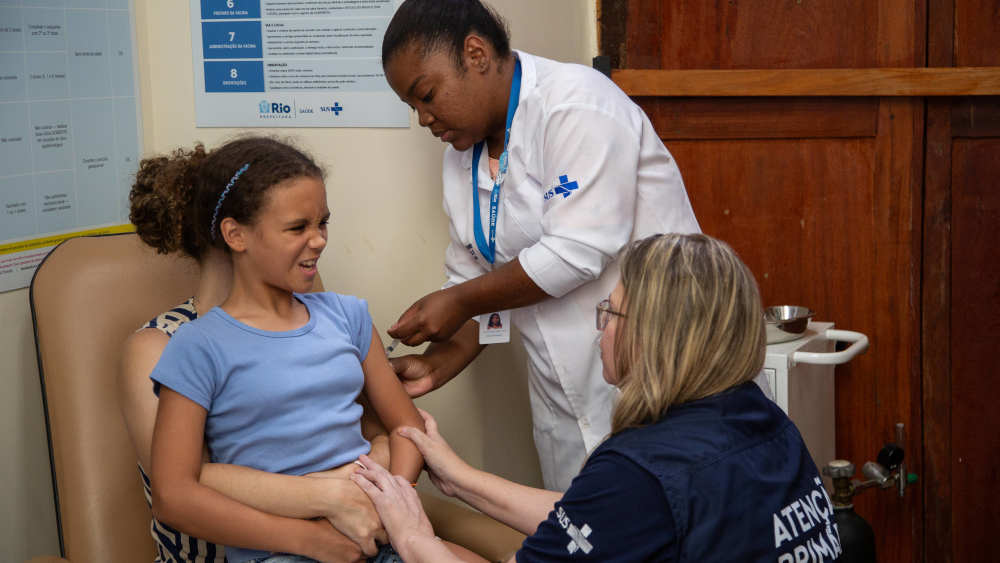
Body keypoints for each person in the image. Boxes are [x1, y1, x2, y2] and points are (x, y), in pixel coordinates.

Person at [352, 234, 843, 562]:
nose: (600, 330)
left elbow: (622, 504)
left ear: (654, 337)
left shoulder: (643, 465)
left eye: (610, 313)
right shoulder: (765, 420)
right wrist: (459, 479)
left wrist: (413, 537)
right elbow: (598, 517)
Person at [381, 0, 700, 491]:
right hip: (563, 400)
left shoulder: (575, 104)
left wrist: (460, 301)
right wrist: (438, 360)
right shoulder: (461, 158)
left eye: (427, 95)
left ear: (476, 53)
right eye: (413, 107)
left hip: (658, 374)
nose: (424, 118)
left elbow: (576, 251)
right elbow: (473, 281)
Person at [137, 137, 454, 563]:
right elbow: (173, 497)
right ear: (236, 235)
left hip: (380, 534)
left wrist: (391, 507)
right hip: (281, 553)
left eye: (322, 223)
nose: (319, 240)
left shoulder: (348, 316)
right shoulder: (197, 347)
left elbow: (406, 429)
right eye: (297, 228)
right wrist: (314, 540)